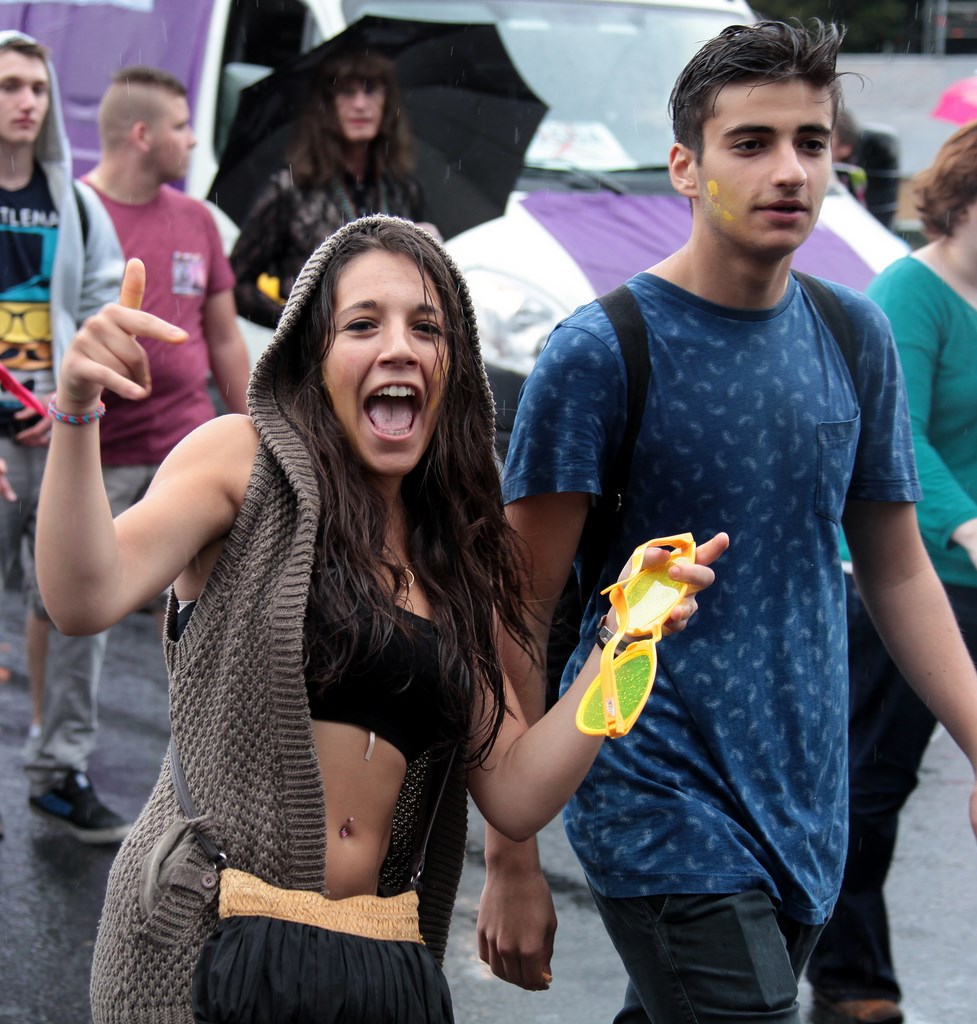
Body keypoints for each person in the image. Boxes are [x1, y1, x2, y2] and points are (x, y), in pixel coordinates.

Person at [35, 215, 721, 1022]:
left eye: (426, 328)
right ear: (313, 357)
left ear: (453, 367)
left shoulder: (457, 556)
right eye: (363, 324)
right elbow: (81, 598)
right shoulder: (242, 463)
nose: (399, 347)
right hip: (200, 944)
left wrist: (623, 642)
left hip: (370, 964)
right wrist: (76, 412)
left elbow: (515, 792)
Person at [476, 19, 977, 1024]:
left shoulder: (854, 334)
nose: (787, 170)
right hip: (652, 793)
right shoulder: (599, 352)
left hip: (801, 799)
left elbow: (893, 570)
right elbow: (514, 610)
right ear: (685, 167)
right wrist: (510, 860)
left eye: (809, 141)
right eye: (750, 143)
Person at [806, 120, 977, 1024]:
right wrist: (966, 526)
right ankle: (847, 974)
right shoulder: (908, 293)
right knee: (870, 784)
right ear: (959, 205)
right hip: (914, 574)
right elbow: (897, 433)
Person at [0, 30, 127, 844]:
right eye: (9, 86)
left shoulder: (73, 203)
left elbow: (100, 307)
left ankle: (59, 772)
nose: (26, 102)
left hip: (57, 437)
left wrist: (68, 404)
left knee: (78, 605)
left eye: (38, 88)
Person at [82, 63, 250, 633]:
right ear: (142, 135)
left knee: (205, 614)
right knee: (76, 609)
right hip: (103, 451)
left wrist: (257, 431)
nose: (194, 139)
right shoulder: (77, 214)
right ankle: (49, 698)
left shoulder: (197, 218)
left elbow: (224, 337)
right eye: (181, 125)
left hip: (187, 442)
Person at [230, 50, 432, 329]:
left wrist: (426, 253)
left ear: (387, 102)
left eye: (371, 90)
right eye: (346, 92)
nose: (360, 104)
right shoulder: (291, 188)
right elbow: (234, 282)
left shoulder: (402, 189)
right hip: (316, 351)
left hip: (385, 342)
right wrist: (300, 325)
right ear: (326, 105)